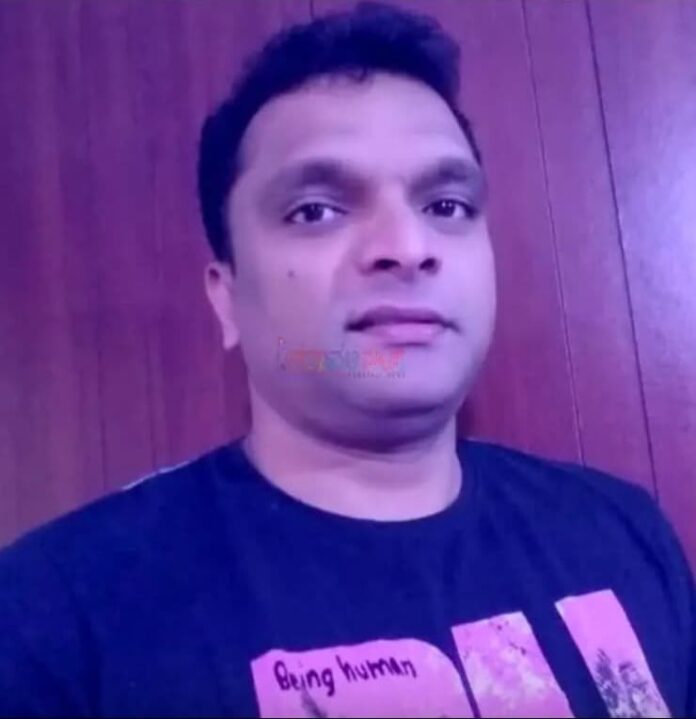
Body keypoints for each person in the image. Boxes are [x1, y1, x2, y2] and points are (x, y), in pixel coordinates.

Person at [0, 2, 693, 716]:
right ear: (227, 298)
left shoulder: (622, 532)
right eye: (316, 210)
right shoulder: (54, 619)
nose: (407, 247)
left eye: (446, 205)